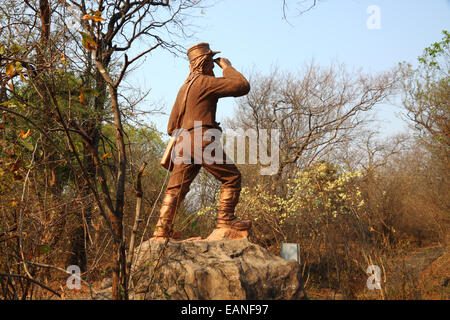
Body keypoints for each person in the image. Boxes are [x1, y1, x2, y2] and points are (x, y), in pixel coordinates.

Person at [152, 42, 252, 239]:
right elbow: (242, 86)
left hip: (182, 143)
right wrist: (227, 67)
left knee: (176, 189)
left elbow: (171, 126)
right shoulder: (205, 83)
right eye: (211, 64)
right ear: (205, 63)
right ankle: (226, 220)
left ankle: (162, 230)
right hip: (202, 139)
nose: (213, 68)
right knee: (231, 177)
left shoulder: (184, 89)